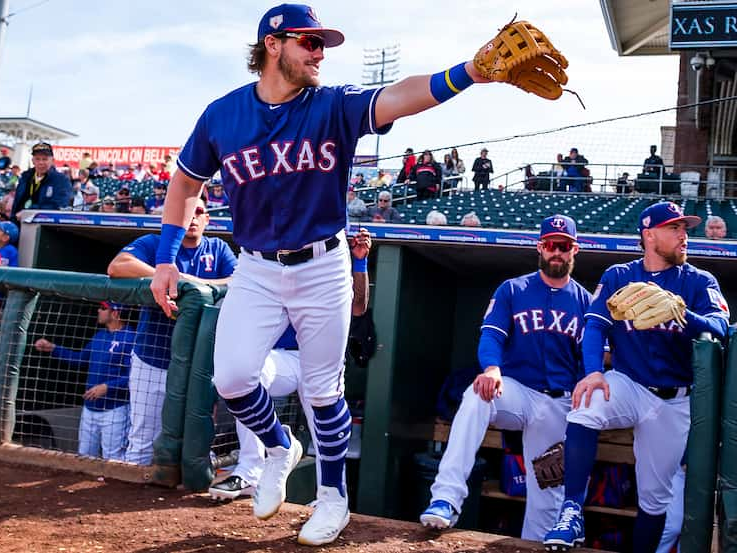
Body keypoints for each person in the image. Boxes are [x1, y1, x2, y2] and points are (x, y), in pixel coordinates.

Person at [149, 4, 496, 545]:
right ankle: (281, 446)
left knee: (322, 390)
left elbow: (400, 96)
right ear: (273, 44)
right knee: (233, 378)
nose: (319, 51)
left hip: (322, 263)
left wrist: (470, 72)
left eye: (322, 43)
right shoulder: (222, 114)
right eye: (308, 41)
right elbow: (185, 182)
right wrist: (168, 257)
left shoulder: (332, 104)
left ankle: (333, 497)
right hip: (257, 266)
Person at [543, 202, 729, 552]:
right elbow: (595, 325)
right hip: (628, 384)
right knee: (585, 406)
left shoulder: (700, 280)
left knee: (655, 501)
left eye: (684, 228)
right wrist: (594, 372)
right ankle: (571, 512)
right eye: (674, 228)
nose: (683, 235)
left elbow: (721, 328)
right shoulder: (618, 275)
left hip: (677, 400)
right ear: (649, 234)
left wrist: (683, 314)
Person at [421, 215, 591, 540]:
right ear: (540, 247)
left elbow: (591, 360)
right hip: (517, 391)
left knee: (547, 503)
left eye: (564, 246)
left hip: (559, 405)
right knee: (476, 396)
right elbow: (492, 335)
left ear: (575, 250)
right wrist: (491, 368)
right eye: (551, 244)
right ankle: (446, 497)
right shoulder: (514, 288)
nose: (557, 251)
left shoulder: (586, 301)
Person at [209, 229, 372, 501]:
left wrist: (360, 261)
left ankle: (329, 496)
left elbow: (358, 307)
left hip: (314, 358)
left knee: (324, 409)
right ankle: (250, 469)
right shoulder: (267, 263)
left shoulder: (330, 258)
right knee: (245, 377)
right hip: (282, 356)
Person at [108, 197, 237, 465]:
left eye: (198, 212)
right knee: (142, 442)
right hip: (152, 359)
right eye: (186, 211)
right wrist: (163, 275)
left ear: (206, 219)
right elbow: (118, 266)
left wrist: (195, 284)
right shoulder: (156, 244)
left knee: (197, 443)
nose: (192, 217)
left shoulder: (217, 247)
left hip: (198, 365)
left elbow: (238, 280)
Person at [33, 302, 135, 461]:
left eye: (103, 308)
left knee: (114, 458)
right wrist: (53, 348)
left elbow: (135, 377)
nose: (98, 310)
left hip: (115, 409)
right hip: (90, 408)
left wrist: (107, 387)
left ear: (115, 313)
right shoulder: (99, 336)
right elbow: (80, 359)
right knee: (85, 456)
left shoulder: (131, 338)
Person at [12, 142, 73, 221]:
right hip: (18, 222)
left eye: (45, 159)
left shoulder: (61, 180)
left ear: (52, 160)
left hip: (43, 226)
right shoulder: (25, 177)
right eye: (37, 159)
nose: (41, 162)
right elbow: (16, 204)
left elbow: (60, 206)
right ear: (33, 161)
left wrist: (29, 212)